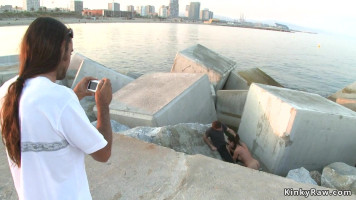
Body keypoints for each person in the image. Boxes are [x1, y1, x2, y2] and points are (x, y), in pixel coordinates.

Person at [0, 17, 113, 200]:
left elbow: (45, 118)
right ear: (59, 53)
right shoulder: (61, 99)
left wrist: (75, 94)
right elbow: (103, 153)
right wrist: (103, 105)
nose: (69, 59)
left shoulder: (7, 91)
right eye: (69, 52)